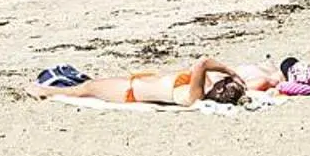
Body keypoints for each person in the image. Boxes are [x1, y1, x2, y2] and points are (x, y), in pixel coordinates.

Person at [26, 56, 251, 108]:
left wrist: (229, 70)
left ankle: (39, 91)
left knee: (81, 90)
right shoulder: (200, 91)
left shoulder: (196, 95)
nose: (219, 82)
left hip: (128, 91)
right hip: (133, 84)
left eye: (223, 84)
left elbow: (202, 63)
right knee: (86, 87)